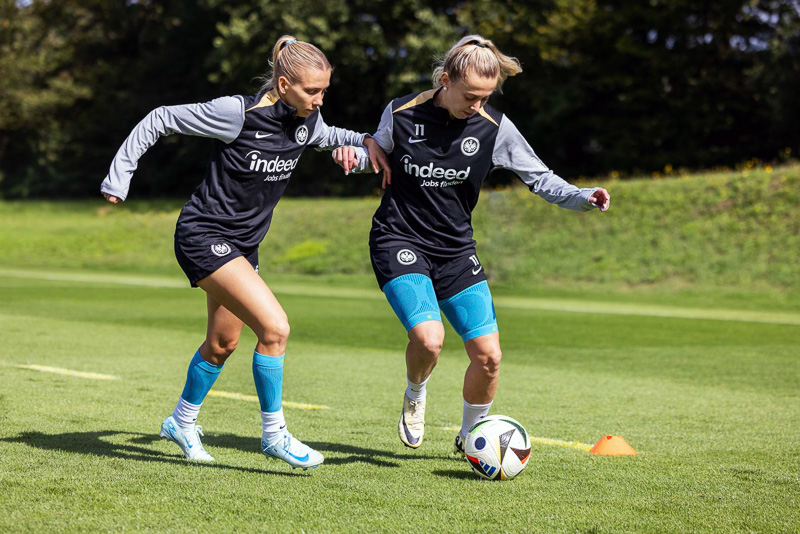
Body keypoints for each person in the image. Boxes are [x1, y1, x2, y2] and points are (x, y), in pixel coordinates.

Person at [100, 35, 388, 469]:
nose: (320, 99)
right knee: (275, 328)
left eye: (324, 90)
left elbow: (333, 136)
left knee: (222, 343)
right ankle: (275, 435)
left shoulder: (308, 120)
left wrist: (365, 141)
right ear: (284, 84)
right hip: (202, 235)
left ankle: (181, 422)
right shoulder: (237, 113)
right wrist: (119, 177)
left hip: (243, 246)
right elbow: (160, 118)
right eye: (312, 90)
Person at [333, 35, 610, 454]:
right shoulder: (402, 112)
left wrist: (582, 196)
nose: (477, 105)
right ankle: (415, 393)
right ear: (446, 80)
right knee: (429, 339)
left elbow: (539, 177)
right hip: (398, 238)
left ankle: (471, 438)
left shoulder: (495, 128)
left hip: (456, 250)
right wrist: (351, 156)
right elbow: (373, 152)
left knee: (489, 356)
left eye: (486, 97)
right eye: (470, 96)